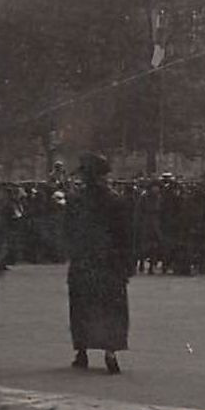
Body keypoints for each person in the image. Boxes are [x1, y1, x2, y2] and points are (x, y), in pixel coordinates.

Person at [65, 154, 132, 374]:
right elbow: (125, 235)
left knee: (82, 306)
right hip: (109, 262)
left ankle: (82, 351)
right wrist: (127, 264)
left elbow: (69, 232)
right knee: (111, 307)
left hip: (84, 261)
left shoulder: (76, 200)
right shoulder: (116, 200)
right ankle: (110, 352)